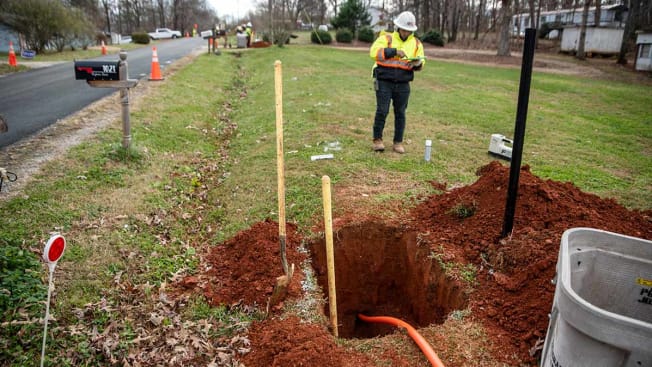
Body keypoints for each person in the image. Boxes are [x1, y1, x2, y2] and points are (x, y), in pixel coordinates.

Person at [369, 11, 425, 153]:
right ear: (398, 27)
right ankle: (377, 140)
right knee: (382, 110)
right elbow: (373, 53)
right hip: (383, 80)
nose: (406, 32)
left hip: (403, 83)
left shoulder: (417, 44)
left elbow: (421, 61)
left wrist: (417, 64)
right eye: (404, 29)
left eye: (409, 30)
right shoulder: (386, 38)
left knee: (400, 112)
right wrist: (393, 51)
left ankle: (398, 142)